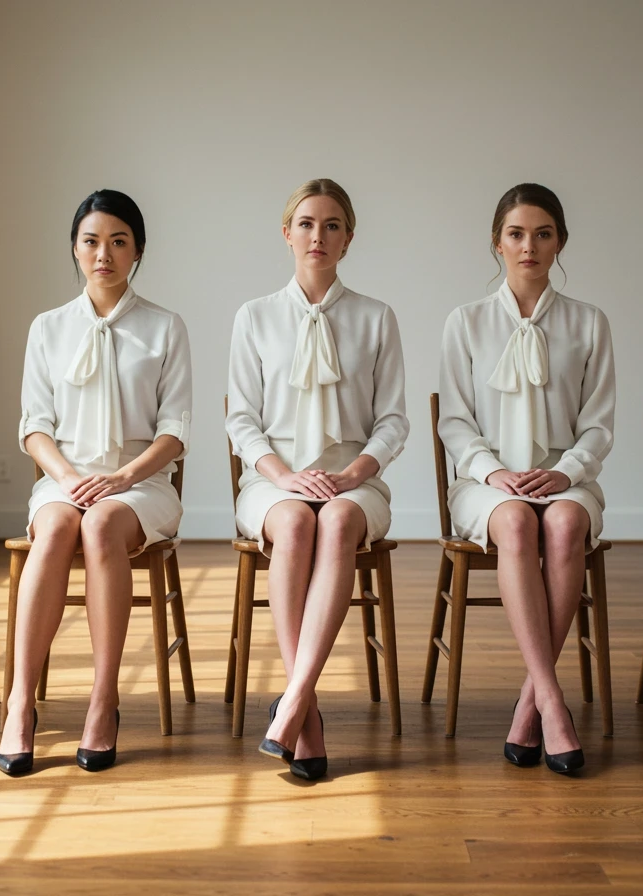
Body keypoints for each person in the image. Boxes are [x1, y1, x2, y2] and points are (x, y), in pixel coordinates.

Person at [0, 190, 191, 776]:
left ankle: (103, 702)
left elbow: (175, 432)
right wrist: (70, 478)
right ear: (74, 249)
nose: (103, 253)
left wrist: (122, 478)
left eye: (118, 241)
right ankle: (19, 704)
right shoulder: (48, 327)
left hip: (140, 483)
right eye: (91, 240)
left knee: (103, 524)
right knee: (55, 526)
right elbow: (34, 426)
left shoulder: (165, 327)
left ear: (137, 251)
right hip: (66, 477)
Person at [226, 178, 408, 780]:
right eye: (306, 223)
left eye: (332, 225)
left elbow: (392, 421)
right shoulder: (254, 317)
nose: (318, 236)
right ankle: (306, 710)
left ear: (348, 239)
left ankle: (295, 698)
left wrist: (355, 471)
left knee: (335, 522)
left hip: (355, 480)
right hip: (275, 482)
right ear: (287, 233)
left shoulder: (377, 317)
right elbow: (242, 421)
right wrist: (284, 476)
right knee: (296, 524)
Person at [438, 183, 615, 774]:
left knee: (564, 527)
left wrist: (565, 474)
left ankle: (529, 705)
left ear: (560, 241)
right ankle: (551, 702)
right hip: (487, 484)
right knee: (514, 523)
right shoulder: (464, 323)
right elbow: (455, 423)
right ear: (497, 243)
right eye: (516, 234)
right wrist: (495, 474)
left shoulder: (590, 323)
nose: (529, 246)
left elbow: (598, 425)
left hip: (567, 478)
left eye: (543, 234)